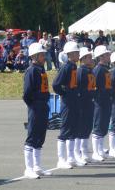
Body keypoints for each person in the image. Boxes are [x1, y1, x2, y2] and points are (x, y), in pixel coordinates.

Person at [23, 42, 51, 179]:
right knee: (32, 136)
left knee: (40, 136)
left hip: (43, 105)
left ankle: (37, 166)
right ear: (34, 56)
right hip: (35, 106)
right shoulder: (31, 71)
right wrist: (33, 105)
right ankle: (28, 168)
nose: (44, 57)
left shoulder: (41, 70)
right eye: (42, 55)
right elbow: (27, 93)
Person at [52, 41, 81, 169]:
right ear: (70, 54)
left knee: (73, 129)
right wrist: (65, 94)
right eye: (77, 52)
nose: (78, 54)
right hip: (67, 103)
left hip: (74, 101)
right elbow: (56, 84)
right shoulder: (66, 67)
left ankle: (70, 158)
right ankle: (61, 159)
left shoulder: (74, 66)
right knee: (65, 130)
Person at [75, 47, 96, 164]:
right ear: (83, 59)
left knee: (87, 128)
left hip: (90, 102)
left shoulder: (90, 71)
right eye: (89, 57)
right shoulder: (81, 71)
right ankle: (77, 153)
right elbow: (77, 88)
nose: (91, 59)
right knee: (81, 128)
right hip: (82, 103)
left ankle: (84, 152)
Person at [91, 45, 112, 161]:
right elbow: (94, 86)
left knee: (104, 126)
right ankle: (96, 152)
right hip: (99, 101)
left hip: (106, 100)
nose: (109, 56)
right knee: (98, 126)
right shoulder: (98, 70)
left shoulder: (105, 69)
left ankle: (100, 150)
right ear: (101, 57)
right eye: (107, 54)